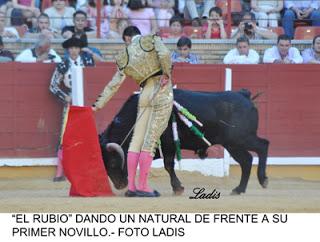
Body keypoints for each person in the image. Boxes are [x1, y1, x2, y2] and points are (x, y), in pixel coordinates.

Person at [92, 26, 173, 197]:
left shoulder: (124, 57)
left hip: (143, 94)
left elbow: (113, 85)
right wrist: (166, 73)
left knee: (136, 140)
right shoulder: (151, 39)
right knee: (149, 142)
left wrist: (97, 105)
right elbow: (165, 55)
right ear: (137, 35)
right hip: (161, 90)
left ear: (127, 38)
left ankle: (133, 187)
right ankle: (143, 186)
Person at [49, 36, 95, 182]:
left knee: (87, 135)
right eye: (71, 48)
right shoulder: (63, 65)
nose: (74, 51)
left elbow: (94, 80)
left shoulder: (88, 61)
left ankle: (87, 168)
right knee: (65, 135)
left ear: (80, 49)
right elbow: (53, 86)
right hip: (70, 102)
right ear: (68, 50)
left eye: (76, 48)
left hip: (86, 101)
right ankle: (60, 171)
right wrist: (65, 97)